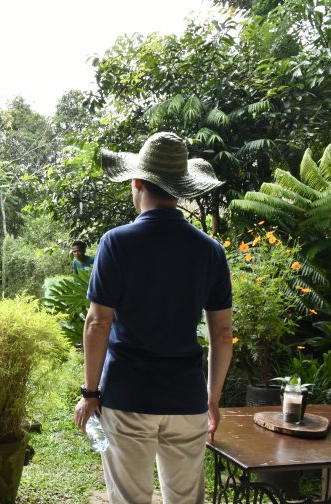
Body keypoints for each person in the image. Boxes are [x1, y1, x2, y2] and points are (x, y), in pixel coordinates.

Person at [73, 132, 233, 504]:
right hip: (187, 399)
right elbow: (222, 334)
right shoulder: (211, 251)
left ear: (138, 183)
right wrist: (212, 399)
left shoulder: (116, 242)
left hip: (128, 396)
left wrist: (90, 393)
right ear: (179, 190)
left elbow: (98, 323)